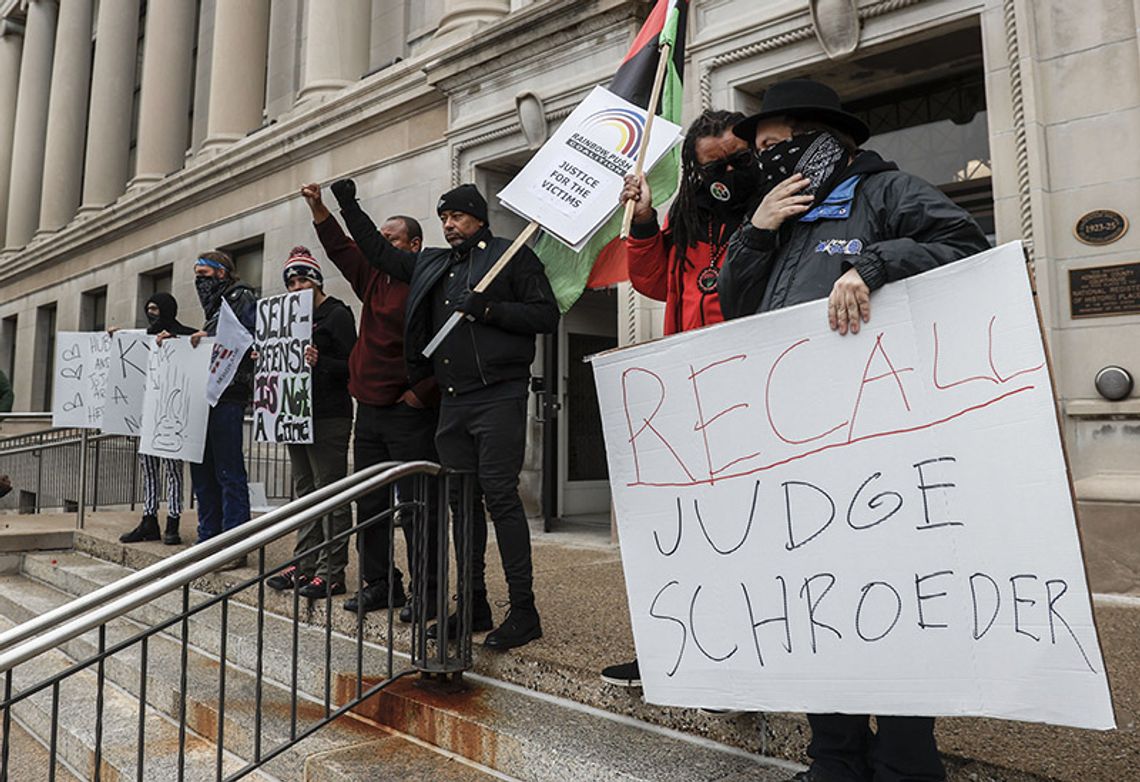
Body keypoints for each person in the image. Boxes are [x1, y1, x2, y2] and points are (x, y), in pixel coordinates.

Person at [718, 78, 990, 782]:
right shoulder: (774, 213)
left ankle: (904, 757)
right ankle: (834, 756)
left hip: (880, 442)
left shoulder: (887, 190)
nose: (764, 159)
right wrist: (757, 231)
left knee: (893, 596)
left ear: (822, 143)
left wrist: (872, 264)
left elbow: (967, 243)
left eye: (776, 146)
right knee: (817, 602)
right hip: (797, 443)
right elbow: (736, 308)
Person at [332, 179, 560, 650]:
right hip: (453, 401)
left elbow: (545, 316)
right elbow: (377, 252)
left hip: (498, 395)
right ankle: (472, 604)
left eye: (456, 217)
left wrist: (490, 308)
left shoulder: (510, 256)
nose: (449, 225)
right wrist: (348, 204)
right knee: (461, 503)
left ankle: (524, 611)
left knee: (500, 497)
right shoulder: (434, 263)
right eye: (443, 219)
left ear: (478, 217)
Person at [601, 108, 754, 690]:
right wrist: (642, 219)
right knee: (682, 538)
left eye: (736, 162)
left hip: (750, 398)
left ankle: (739, 660)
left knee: (742, 538)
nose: (724, 175)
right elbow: (653, 280)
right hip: (689, 401)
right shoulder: (688, 219)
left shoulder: (771, 216)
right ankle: (672, 648)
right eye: (710, 165)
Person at [301, 183, 443, 621]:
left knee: (418, 508)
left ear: (413, 245)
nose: (380, 246)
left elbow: (448, 341)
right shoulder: (373, 277)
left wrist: (421, 393)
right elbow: (343, 249)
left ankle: (428, 592)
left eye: (391, 240)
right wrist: (318, 208)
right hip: (369, 412)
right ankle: (382, 584)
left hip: (408, 411)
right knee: (371, 505)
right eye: (378, 239)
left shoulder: (426, 279)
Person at [262, 247, 357, 598]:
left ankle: (332, 571)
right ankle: (304, 563)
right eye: (290, 282)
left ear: (316, 281)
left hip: (329, 414)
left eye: (302, 279)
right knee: (305, 492)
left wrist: (322, 362)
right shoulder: (287, 319)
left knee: (330, 491)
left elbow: (353, 365)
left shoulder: (337, 315)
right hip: (294, 414)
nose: (296, 287)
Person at [159, 251, 257, 569]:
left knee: (228, 471)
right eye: (196, 273)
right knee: (203, 472)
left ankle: (233, 544)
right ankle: (208, 538)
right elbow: (206, 338)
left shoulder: (240, 297)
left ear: (222, 273)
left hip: (229, 396)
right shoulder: (213, 307)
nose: (200, 279)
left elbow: (238, 337)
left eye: (205, 273)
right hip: (205, 398)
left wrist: (207, 338)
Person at [120, 293, 196, 545]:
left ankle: (172, 523)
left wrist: (178, 344)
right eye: (148, 308)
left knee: (173, 471)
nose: (152, 313)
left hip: (171, 416)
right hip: (146, 417)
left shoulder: (186, 334)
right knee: (149, 471)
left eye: (156, 308)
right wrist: (114, 338)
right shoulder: (144, 338)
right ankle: (149, 520)